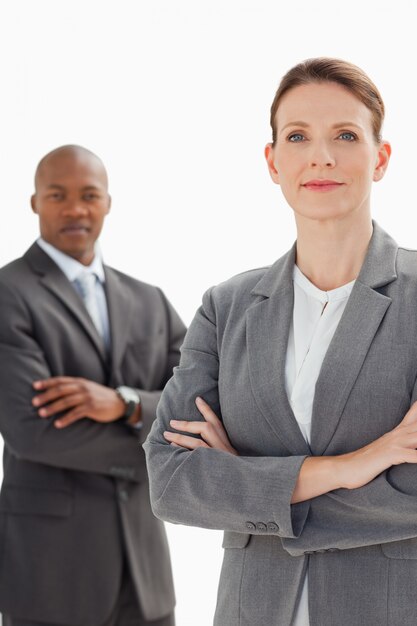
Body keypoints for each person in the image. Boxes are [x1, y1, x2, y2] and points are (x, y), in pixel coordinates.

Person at [144, 57, 417, 626]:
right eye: (298, 136)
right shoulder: (227, 306)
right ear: (272, 161)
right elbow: (170, 480)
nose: (321, 156)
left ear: (381, 157)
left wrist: (246, 479)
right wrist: (356, 464)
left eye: (345, 135)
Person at [0, 145, 186, 626]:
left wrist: (125, 404)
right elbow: (30, 429)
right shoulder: (9, 294)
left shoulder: (150, 301)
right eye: (57, 195)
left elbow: (202, 402)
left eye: (89, 195)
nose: (75, 208)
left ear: (107, 202)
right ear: (35, 202)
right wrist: (160, 451)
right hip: (52, 574)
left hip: (146, 576)